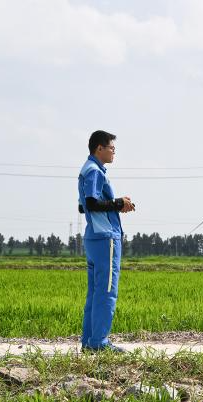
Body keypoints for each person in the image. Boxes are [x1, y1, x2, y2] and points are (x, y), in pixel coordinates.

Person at [78, 130, 135, 352]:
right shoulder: (94, 172)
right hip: (105, 239)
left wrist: (116, 203)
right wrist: (118, 203)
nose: (114, 152)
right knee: (107, 291)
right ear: (99, 148)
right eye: (111, 148)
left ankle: (89, 342)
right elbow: (92, 204)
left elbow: (83, 206)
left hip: (94, 237)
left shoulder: (87, 170)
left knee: (95, 292)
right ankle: (99, 343)